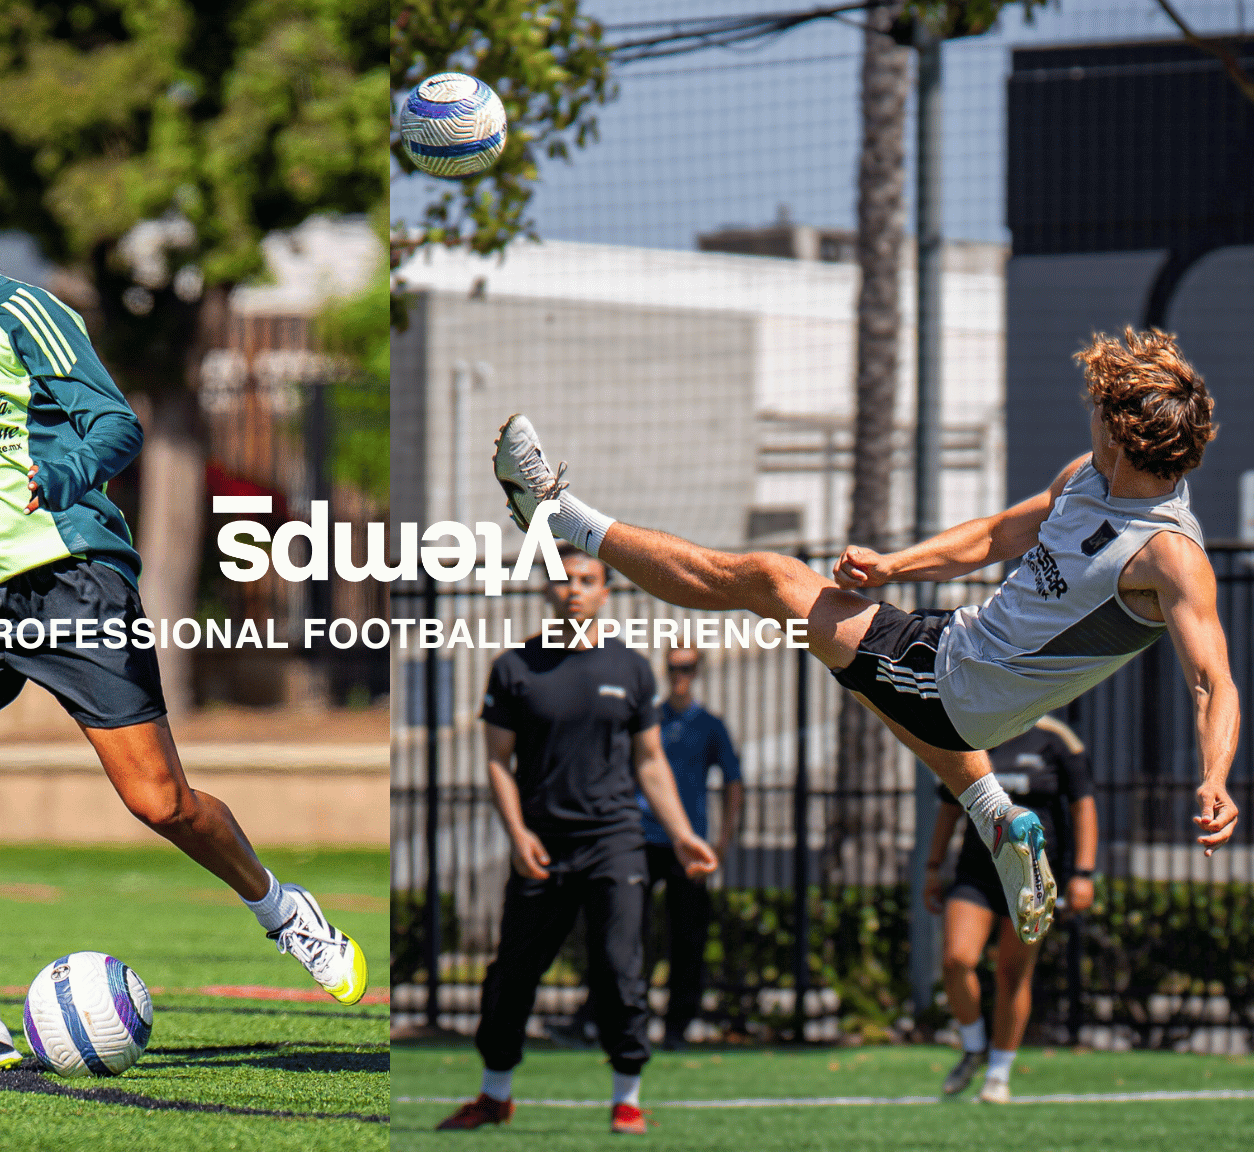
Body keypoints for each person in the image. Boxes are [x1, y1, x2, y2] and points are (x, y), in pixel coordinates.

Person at [0, 153, 365, 1075]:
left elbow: (118, 424)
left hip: (68, 578)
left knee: (159, 800)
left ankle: (281, 909)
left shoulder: (22, 312)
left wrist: (60, 474)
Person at [492, 326, 1239, 949]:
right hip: (952, 660)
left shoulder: (1170, 556)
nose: (1091, 421)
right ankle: (994, 817)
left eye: (1100, 414)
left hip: (949, 682)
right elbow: (992, 536)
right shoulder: (1086, 478)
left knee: (765, 578)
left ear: (1123, 437)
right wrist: (893, 566)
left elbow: (1214, 682)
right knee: (871, 673)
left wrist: (1214, 776)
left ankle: (557, 514)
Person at [436, 544, 718, 1136]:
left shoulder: (631, 670)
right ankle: (494, 1094)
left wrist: (682, 835)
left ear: (605, 592)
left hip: (615, 841)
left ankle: (627, 1098)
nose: (574, 590)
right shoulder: (514, 668)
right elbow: (497, 761)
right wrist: (517, 833)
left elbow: (650, 762)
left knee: (619, 968)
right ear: (546, 589)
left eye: (587, 580)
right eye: (564, 579)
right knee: (513, 972)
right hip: (542, 845)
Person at [926, 714, 1097, 1104]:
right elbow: (949, 808)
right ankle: (974, 1047)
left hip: (1033, 878)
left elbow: (1083, 807)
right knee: (956, 960)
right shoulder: (970, 731)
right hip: (976, 873)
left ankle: (998, 1074)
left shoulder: (1056, 739)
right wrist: (932, 868)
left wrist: (1083, 873)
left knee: (1012, 972)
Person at [644, 645, 740, 1049]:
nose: (679, 674)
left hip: (689, 845)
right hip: (644, 837)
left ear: (697, 671)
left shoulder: (709, 725)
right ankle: (617, 1019)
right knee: (628, 933)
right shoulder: (650, 719)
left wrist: (723, 840)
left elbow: (733, 781)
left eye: (686, 667)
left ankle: (677, 1027)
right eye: (673, 667)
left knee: (687, 938)